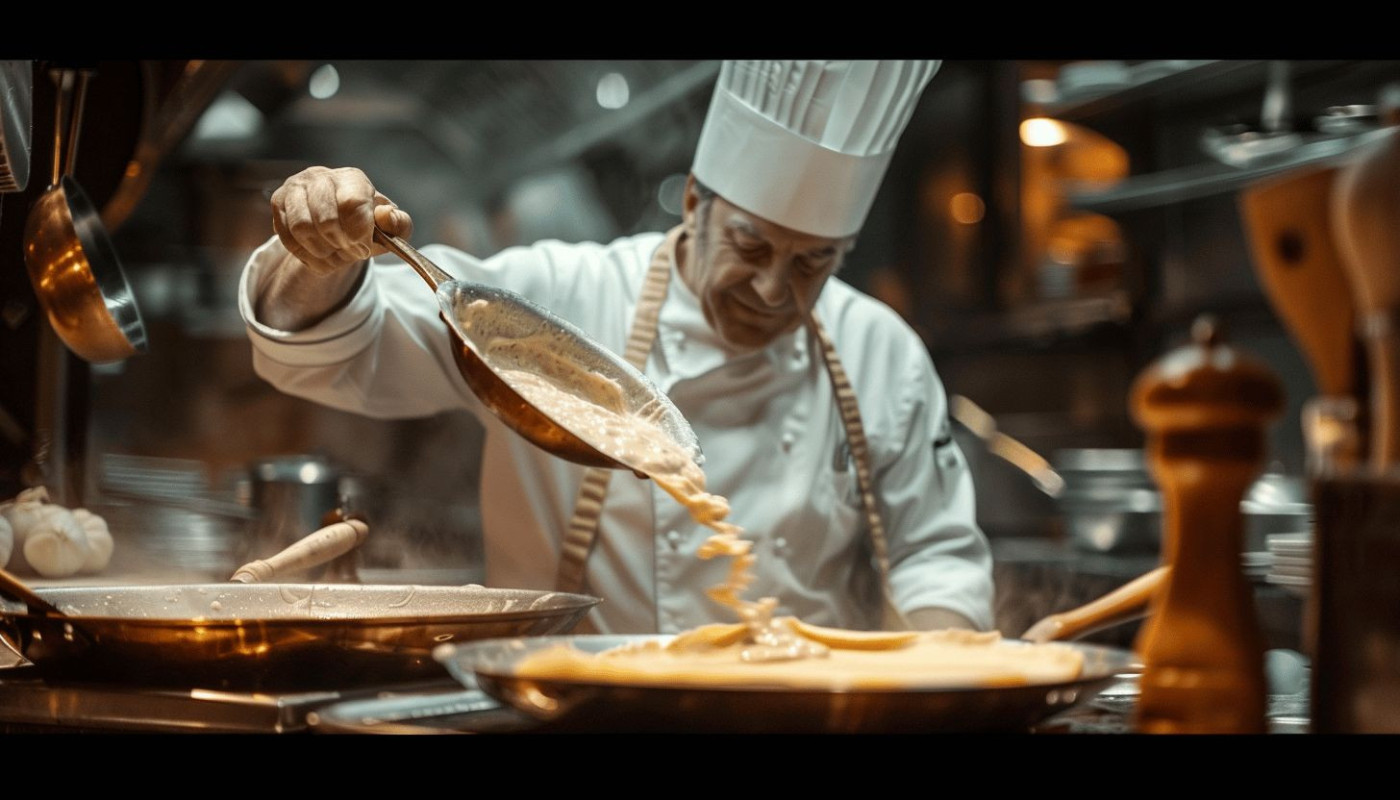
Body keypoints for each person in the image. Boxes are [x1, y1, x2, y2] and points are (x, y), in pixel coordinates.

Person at [238, 60, 995, 635]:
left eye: (812, 263)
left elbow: (937, 555)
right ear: (696, 204)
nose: (772, 290)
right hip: (569, 707)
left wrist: (945, 662)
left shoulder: (881, 351)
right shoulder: (566, 295)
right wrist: (318, 256)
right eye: (750, 246)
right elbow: (338, 344)